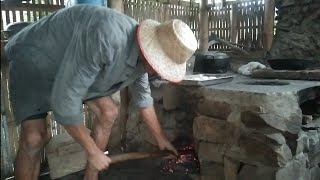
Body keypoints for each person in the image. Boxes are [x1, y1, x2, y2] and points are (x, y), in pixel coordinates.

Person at [4, 4, 197, 180]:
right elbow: (64, 102)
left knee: (109, 111)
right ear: (151, 52)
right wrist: (93, 151)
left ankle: (91, 177)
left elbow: (143, 98)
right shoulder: (106, 39)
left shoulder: (142, 59)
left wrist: (161, 139)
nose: (159, 71)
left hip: (76, 62)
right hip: (35, 58)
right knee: (34, 137)